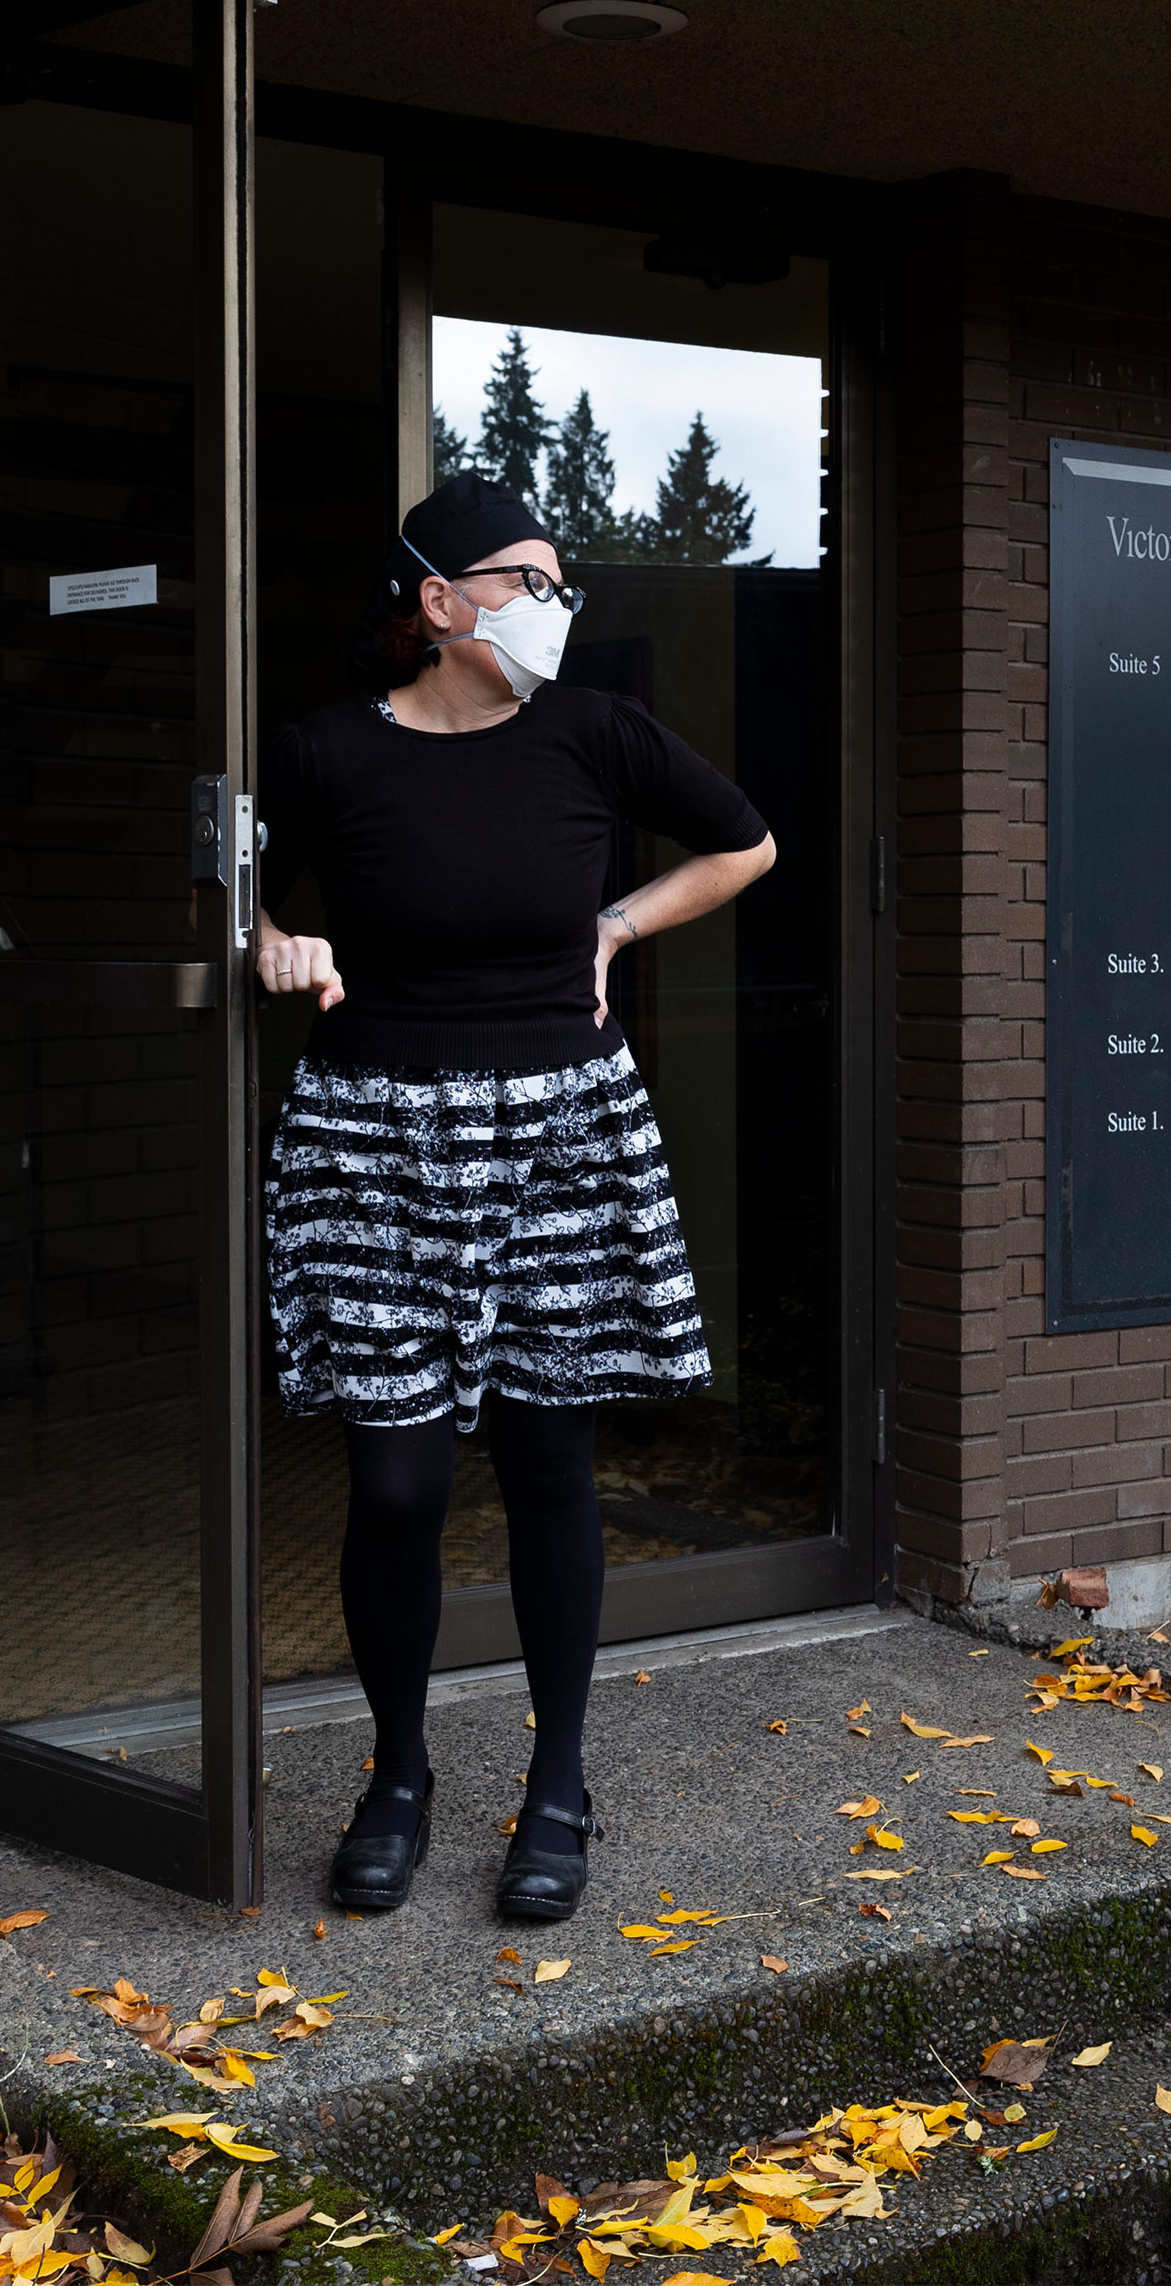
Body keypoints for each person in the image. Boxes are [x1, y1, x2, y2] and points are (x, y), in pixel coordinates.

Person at [254, 472, 777, 1923]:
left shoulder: (595, 735)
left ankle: (560, 1783)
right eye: (524, 579)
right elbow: (217, 881)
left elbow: (745, 844)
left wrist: (617, 921)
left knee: (550, 1461)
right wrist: (273, 937)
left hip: (560, 1125)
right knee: (398, 1480)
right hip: (372, 1133)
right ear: (437, 602)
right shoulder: (323, 758)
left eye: (557, 583)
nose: (551, 606)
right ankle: (400, 1773)